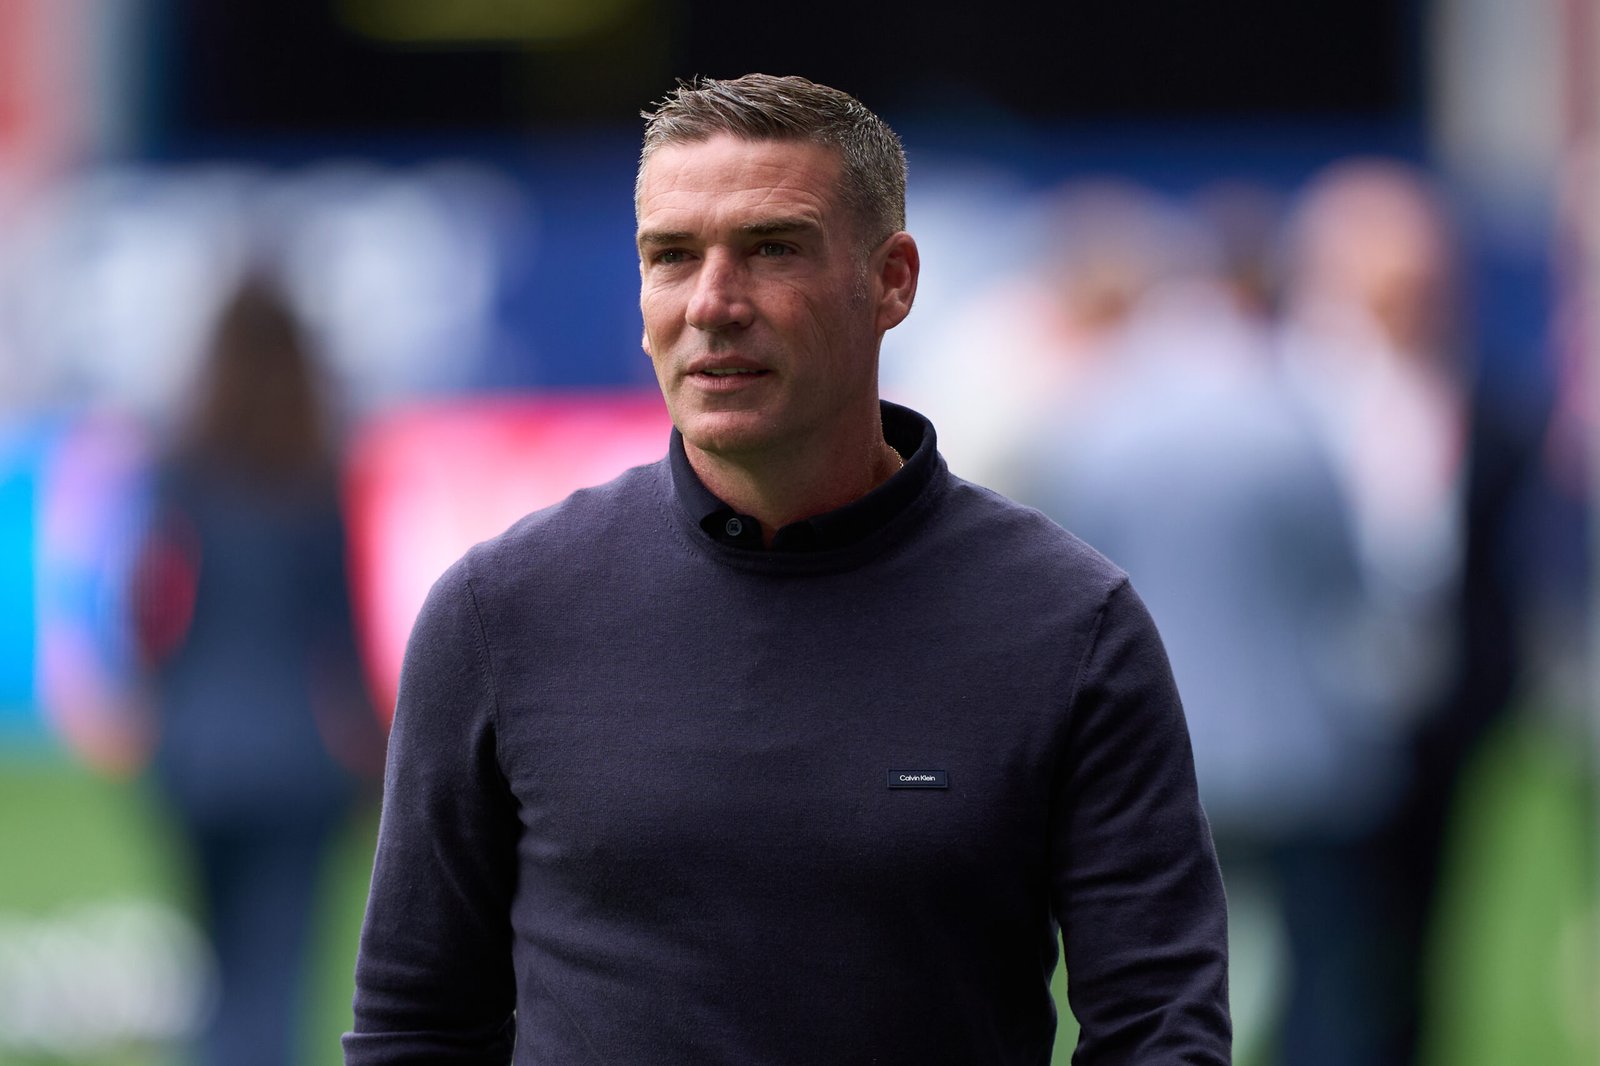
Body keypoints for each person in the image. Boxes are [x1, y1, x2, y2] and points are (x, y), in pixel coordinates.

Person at [345, 73, 1229, 1064]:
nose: (714, 304)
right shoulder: (499, 613)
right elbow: (414, 1025)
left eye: (770, 249)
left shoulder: (1070, 623)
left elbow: (1159, 1028)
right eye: (671, 257)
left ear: (892, 280)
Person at [134, 271, 381, 1066]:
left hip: (197, 759)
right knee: (274, 990)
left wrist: (165, 711)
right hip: (295, 763)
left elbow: (148, 613)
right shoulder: (317, 472)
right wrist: (378, 758)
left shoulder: (181, 468)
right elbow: (342, 634)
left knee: (217, 987)